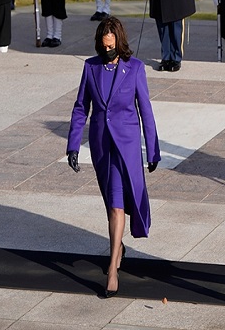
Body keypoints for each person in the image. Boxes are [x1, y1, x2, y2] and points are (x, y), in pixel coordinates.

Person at [66, 17, 161, 298]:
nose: (107, 51)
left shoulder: (135, 69)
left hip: (128, 146)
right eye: (103, 47)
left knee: (118, 206)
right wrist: (73, 145)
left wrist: (152, 150)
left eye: (111, 47)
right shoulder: (90, 67)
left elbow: (146, 111)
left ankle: (111, 269)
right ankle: (118, 247)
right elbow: (81, 107)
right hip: (101, 147)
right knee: (111, 204)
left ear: (118, 42)